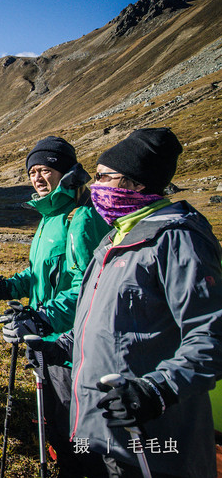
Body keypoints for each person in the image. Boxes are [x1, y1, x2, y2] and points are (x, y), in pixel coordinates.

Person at [67, 128, 222, 477]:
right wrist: (59, 342)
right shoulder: (114, 237)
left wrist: (157, 389)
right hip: (101, 429)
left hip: (152, 438)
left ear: (135, 184)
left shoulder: (178, 240)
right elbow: (105, 321)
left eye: (105, 177)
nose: (96, 186)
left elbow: (211, 336)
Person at [0, 136, 110, 477]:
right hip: (44, 336)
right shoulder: (49, 216)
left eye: (45, 170)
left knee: (74, 425)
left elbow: (86, 285)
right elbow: (37, 273)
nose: (37, 178)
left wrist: (43, 317)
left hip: (73, 341)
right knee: (54, 420)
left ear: (65, 171)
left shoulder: (81, 218)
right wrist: (0, 288)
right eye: (32, 172)